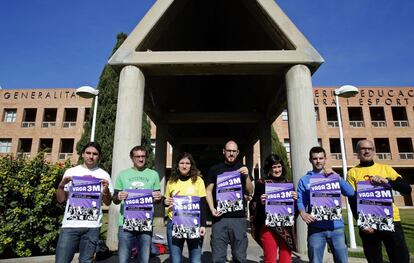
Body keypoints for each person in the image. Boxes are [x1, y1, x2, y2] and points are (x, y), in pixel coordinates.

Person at [347, 139, 411, 263]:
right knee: (374, 259)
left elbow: (406, 189)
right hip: (368, 223)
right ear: (357, 152)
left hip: (392, 220)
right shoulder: (352, 173)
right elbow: (353, 200)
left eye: (369, 148)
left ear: (374, 151)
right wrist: (362, 224)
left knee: (401, 258)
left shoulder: (386, 169)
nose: (366, 151)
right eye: (363, 149)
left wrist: (387, 181)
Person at [55, 141, 113, 263]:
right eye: (88, 153)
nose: (91, 156)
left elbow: (108, 203)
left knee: (86, 261)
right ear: (82, 154)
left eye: (95, 154)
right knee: (61, 260)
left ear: (99, 156)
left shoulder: (104, 175)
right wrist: (61, 186)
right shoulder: (71, 172)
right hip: (70, 226)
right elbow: (60, 200)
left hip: (92, 227)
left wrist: (106, 190)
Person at [296, 146, 354, 263]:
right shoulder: (304, 180)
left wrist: (338, 177)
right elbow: (300, 200)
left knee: (342, 260)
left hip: (336, 228)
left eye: (321, 158)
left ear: (325, 159)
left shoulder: (333, 176)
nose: (318, 161)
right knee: (315, 261)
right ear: (310, 160)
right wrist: (302, 212)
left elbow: (350, 192)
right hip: (315, 228)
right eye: (315, 158)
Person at [206, 140, 253, 263]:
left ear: (237, 153)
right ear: (224, 152)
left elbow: (250, 191)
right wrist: (212, 209)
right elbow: (208, 191)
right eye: (229, 151)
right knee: (218, 257)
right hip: (219, 219)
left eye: (234, 151)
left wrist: (247, 176)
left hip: (239, 218)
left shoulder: (243, 169)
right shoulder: (215, 169)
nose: (231, 153)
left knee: (239, 257)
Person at [113, 145, 162, 263]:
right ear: (132, 158)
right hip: (125, 223)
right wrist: (118, 196)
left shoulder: (153, 174)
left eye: (143, 156)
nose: (141, 159)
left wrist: (157, 198)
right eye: (137, 156)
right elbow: (114, 199)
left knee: (144, 259)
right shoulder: (122, 174)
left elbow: (157, 199)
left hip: (145, 223)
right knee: (123, 259)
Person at [251, 154, 297, 263]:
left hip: (286, 229)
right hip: (268, 228)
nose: (277, 170)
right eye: (274, 167)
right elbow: (252, 204)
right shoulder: (261, 184)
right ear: (269, 169)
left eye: (279, 166)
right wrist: (260, 202)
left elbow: (294, 210)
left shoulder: (288, 184)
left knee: (286, 260)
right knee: (270, 260)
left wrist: (295, 200)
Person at [163, 152, 207, 263]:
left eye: (187, 163)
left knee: (196, 260)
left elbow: (202, 204)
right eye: (181, 163)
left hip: (194, 224)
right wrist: (165, 201)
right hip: (174, 224)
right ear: (177, 165)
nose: (184, 166)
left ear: (191, 165)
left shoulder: (198, 181)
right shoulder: (171, 182)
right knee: (176, 260)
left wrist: (203, 225)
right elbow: (165, 200)